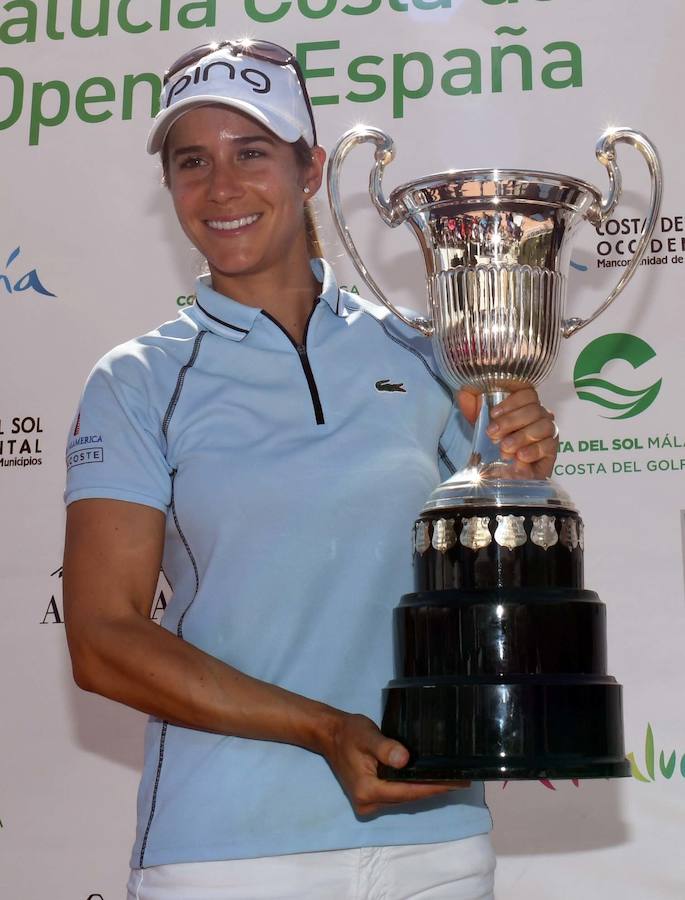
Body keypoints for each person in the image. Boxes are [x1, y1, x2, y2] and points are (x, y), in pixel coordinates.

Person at [63, 40, 560, 900]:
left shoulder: (431, 351)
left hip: (434, 839)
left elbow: (493, 585)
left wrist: (520, 460)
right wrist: (323, 729)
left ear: (309, 170)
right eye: (192, 162)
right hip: (228, 853)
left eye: (251, 152)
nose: (221, 188)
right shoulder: (139, 380)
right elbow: (103, 640)